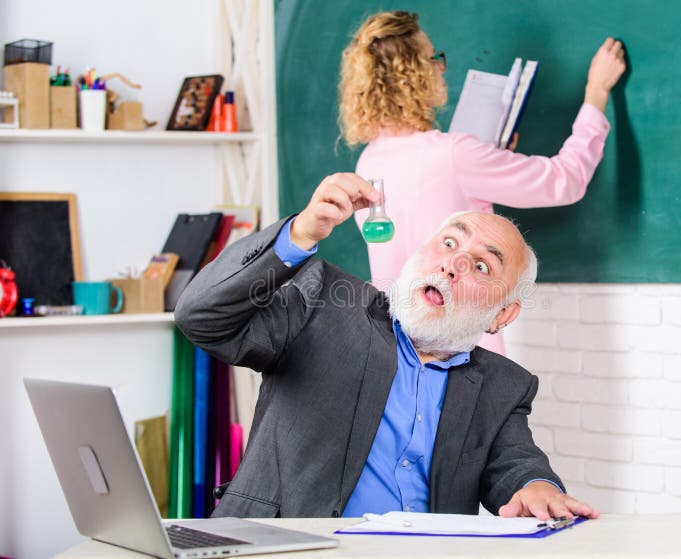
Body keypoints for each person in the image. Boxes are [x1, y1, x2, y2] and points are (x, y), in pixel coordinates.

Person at [175, 173, 599, 521]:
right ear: (419, 252)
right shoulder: (322, 304)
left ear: (502, 315)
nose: (454, 264)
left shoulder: (504, 385)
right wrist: (299, 234)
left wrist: (538, 487)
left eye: (483, 265)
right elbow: (201, 317)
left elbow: (516, 463)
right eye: (450, 243)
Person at [339, 11, 626, 354]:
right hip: (463, 351)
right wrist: (597, 92)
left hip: (396, 350)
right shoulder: (455, 154)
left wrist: (491, 159)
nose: (440, 67)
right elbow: (565, 181)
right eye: (434, 58)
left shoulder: (368, 161)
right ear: (415, 74)